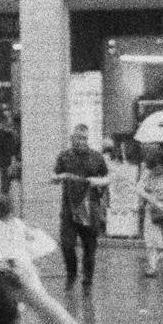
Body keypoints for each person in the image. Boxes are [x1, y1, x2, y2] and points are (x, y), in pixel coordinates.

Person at [51, 125, 110, 291]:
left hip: (90, 207)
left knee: (89, 246)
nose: (81, 142)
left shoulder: (96, 157)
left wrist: (99, 181)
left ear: (88, 139)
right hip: (69, 207)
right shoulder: (64, 156)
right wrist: (59, 177)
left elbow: (107, 178)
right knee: (67, 244)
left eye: (84, 138)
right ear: (72, 138)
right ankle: (71, 274)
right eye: (78, 138)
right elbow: (54, 176)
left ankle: (87, 281)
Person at [0, 194, 54, 290]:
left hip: (8, 264)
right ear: (11, 210)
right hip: (23, 261)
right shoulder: (17, 223)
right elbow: (30, 236)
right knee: (35, 289)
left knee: (10, 292)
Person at [136, 148, 163, 279]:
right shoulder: (148, 174)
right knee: (150, 240)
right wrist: (150, 197)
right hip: (151, 211)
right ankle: (152, 266)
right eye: (154, 167)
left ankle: (161, 262)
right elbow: (139, 188)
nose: (157, 170)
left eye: (159, 167)